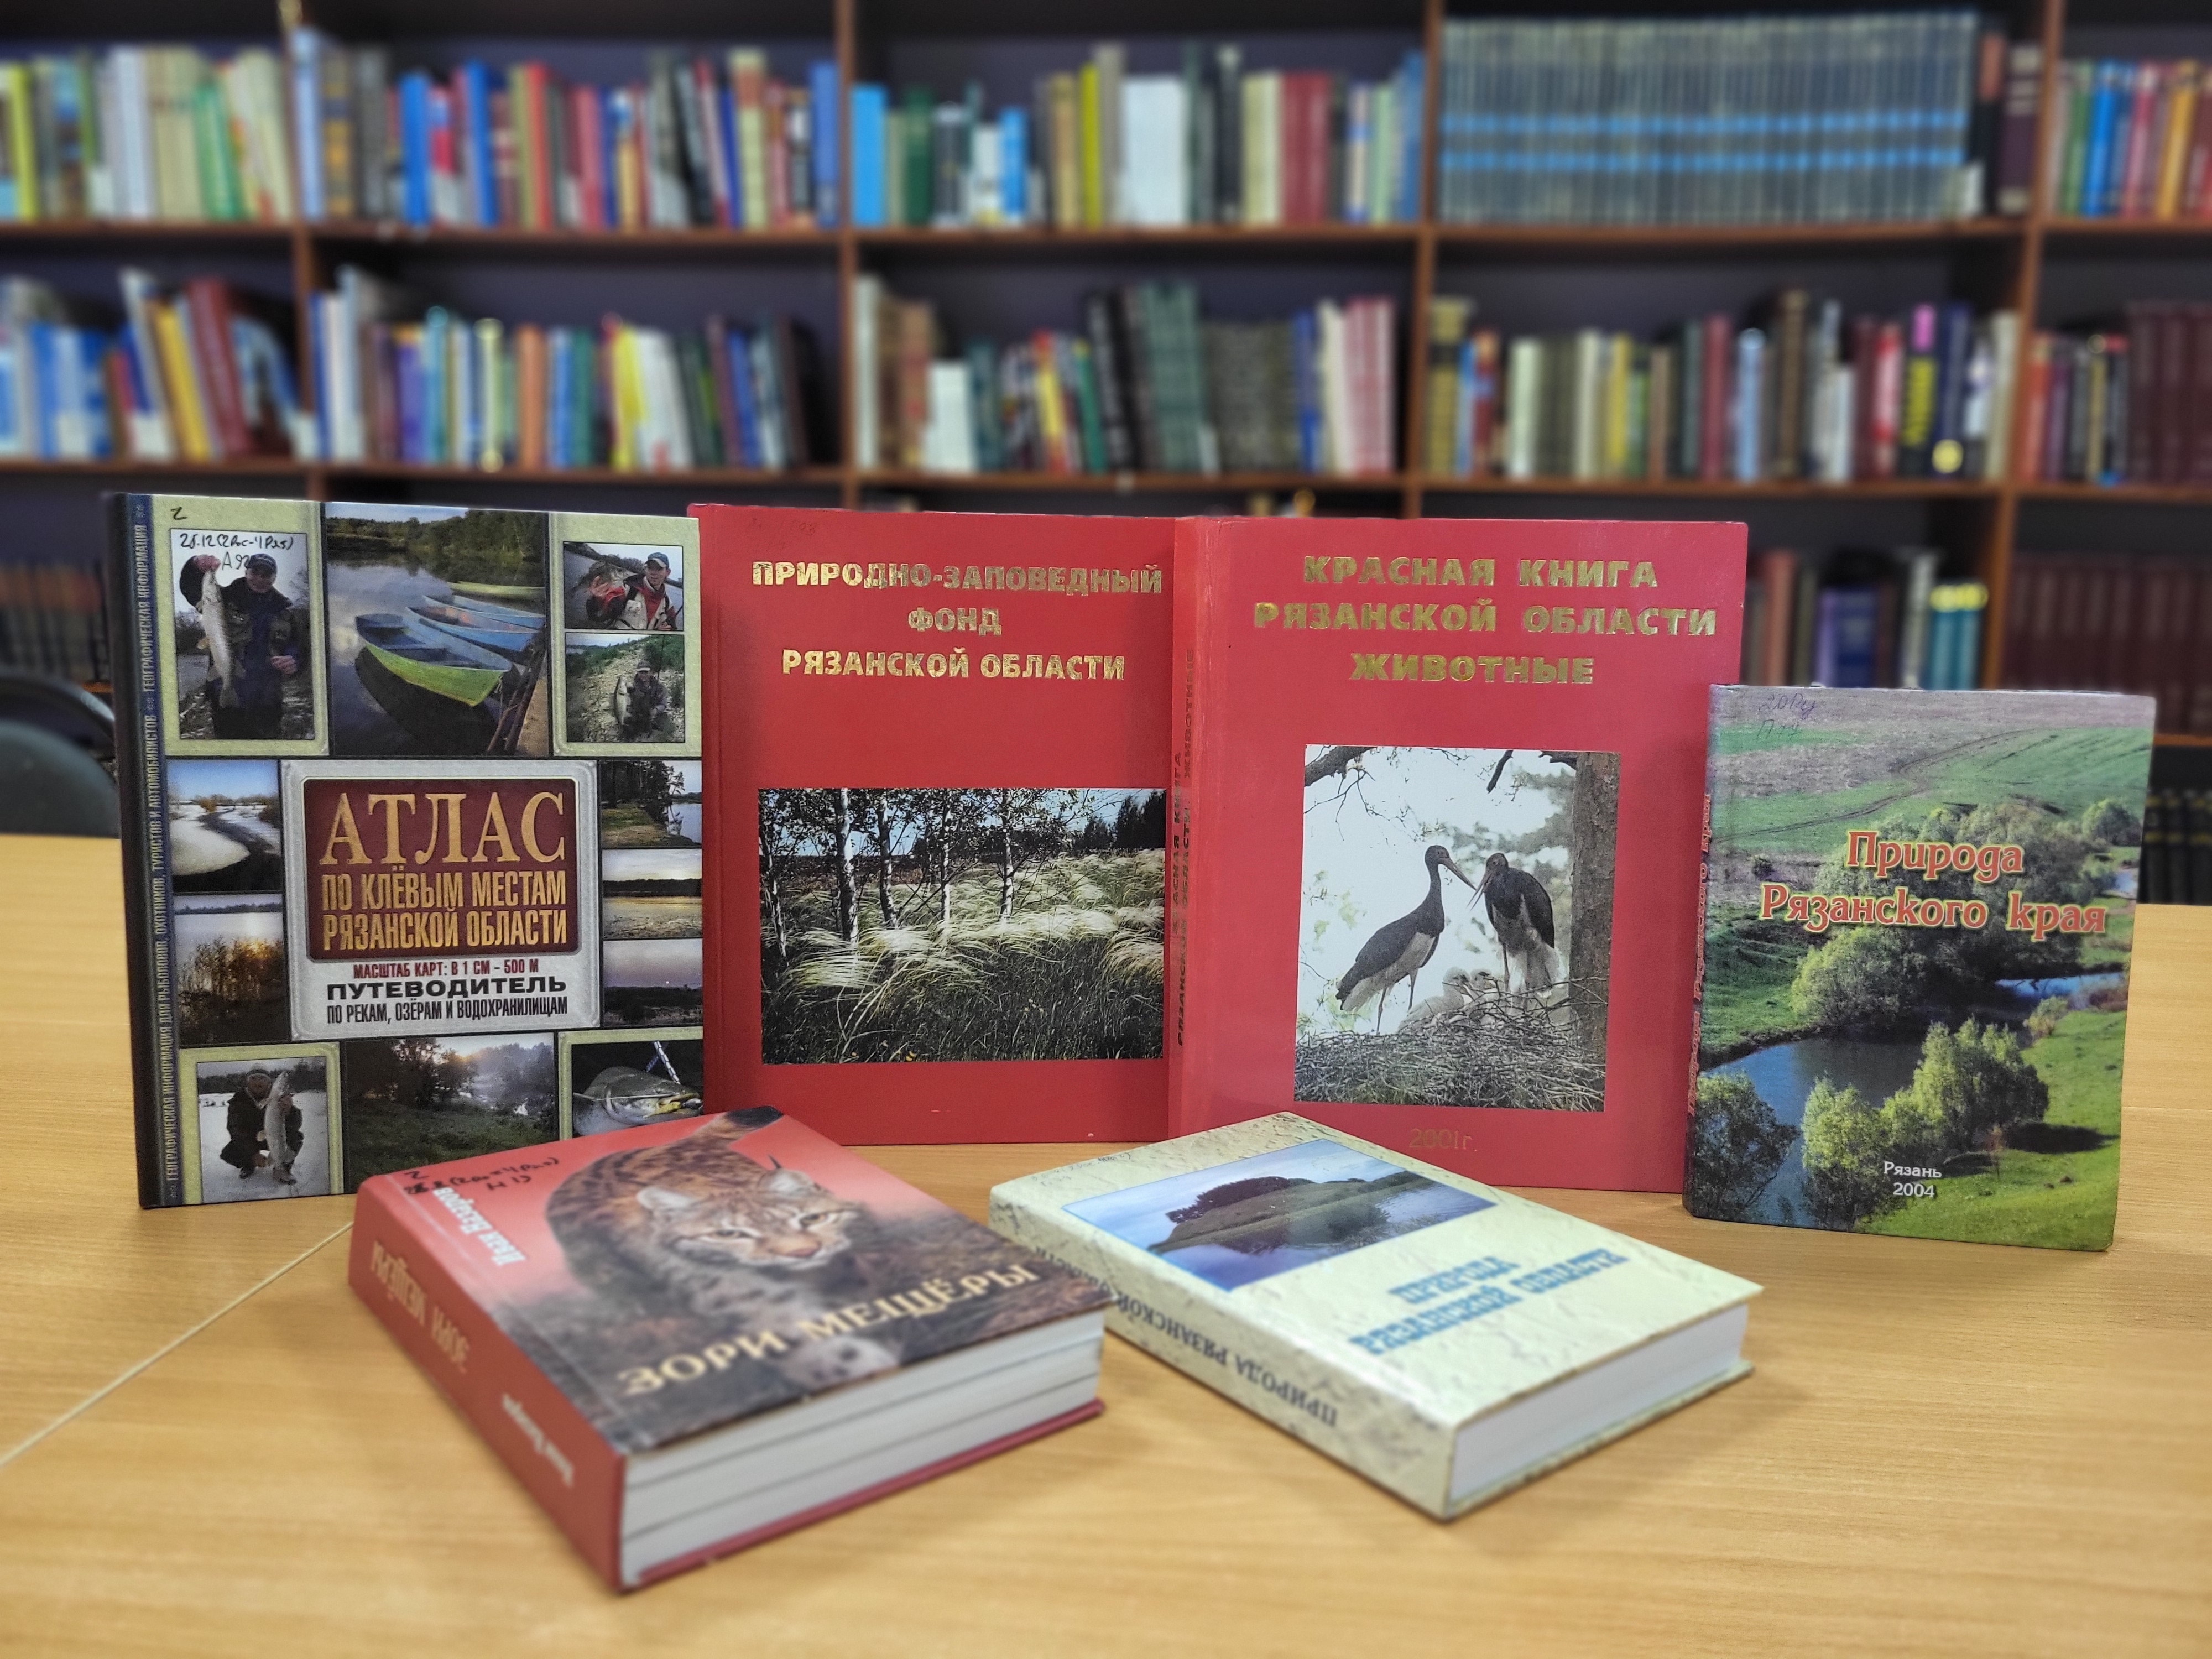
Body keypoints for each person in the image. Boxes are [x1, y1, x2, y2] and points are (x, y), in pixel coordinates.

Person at [179, 551, 305, 740]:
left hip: (267, 698)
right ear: (246, 573)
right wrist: (195, 566)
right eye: (255, 573)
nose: (259, 579)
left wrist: (295, 661)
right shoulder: (224, 599)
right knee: (230, 747)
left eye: (266, 575)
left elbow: (298, 647)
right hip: (226, 696)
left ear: (274, 578)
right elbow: (191, 588)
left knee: (265, 749)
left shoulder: (285, 612)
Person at [218, 1067, 302, 1182]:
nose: (258, 1082)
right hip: (251, 1139)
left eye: (262, 1078)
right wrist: (253, 1154)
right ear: (248, 1082)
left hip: (273, 1137)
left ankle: (283, 1167)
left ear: (269, 1082)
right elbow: (235, 1130)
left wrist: (289, 1111)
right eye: (254, 1078)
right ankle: (249, 1164)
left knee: (296, 1138)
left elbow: (295, 1125)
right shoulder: (239, 1101)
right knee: (230, 1152)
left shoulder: (280, 1098)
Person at [585, 553, 680, 632]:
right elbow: (599, 617)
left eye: (659, 569)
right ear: (646, 569)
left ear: (668, 572)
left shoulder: (668, 605)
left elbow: (672, 630)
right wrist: (597, 600)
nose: (653, 572)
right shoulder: (627, 590)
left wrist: (661, 632)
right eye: (650, 567)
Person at [620, 662, 669, 742]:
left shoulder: (659, 687)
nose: (643, 675)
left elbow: (663, 704)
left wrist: (656, 710)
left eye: (646, 672)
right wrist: (629, 691)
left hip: (651, 715)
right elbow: (625, 701)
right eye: (641, 672)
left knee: (666, 722)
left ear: (651, 672)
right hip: (637, 715)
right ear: (638, 673)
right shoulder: (632, 687)